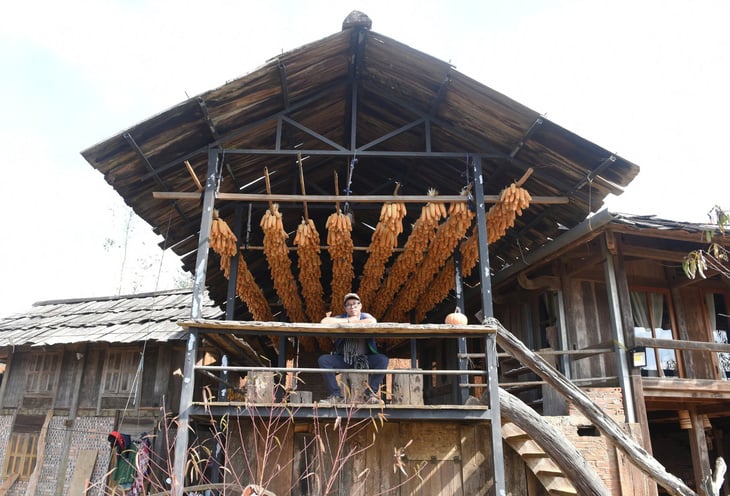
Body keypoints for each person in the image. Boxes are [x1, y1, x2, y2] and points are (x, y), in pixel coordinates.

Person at [318, 293, 388, 405]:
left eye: (355, 304)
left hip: (364, 359)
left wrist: (352, 322)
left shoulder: (365, 316)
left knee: (382, 360)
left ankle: (370, 394)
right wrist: (350, 321)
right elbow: (325, 321)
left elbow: (372, 321)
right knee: (324, 360)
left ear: (360, 306)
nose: (352, 307)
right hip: (345, 359)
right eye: (349, 305)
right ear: (345, 308)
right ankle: (336, 395)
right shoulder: (341, 317)